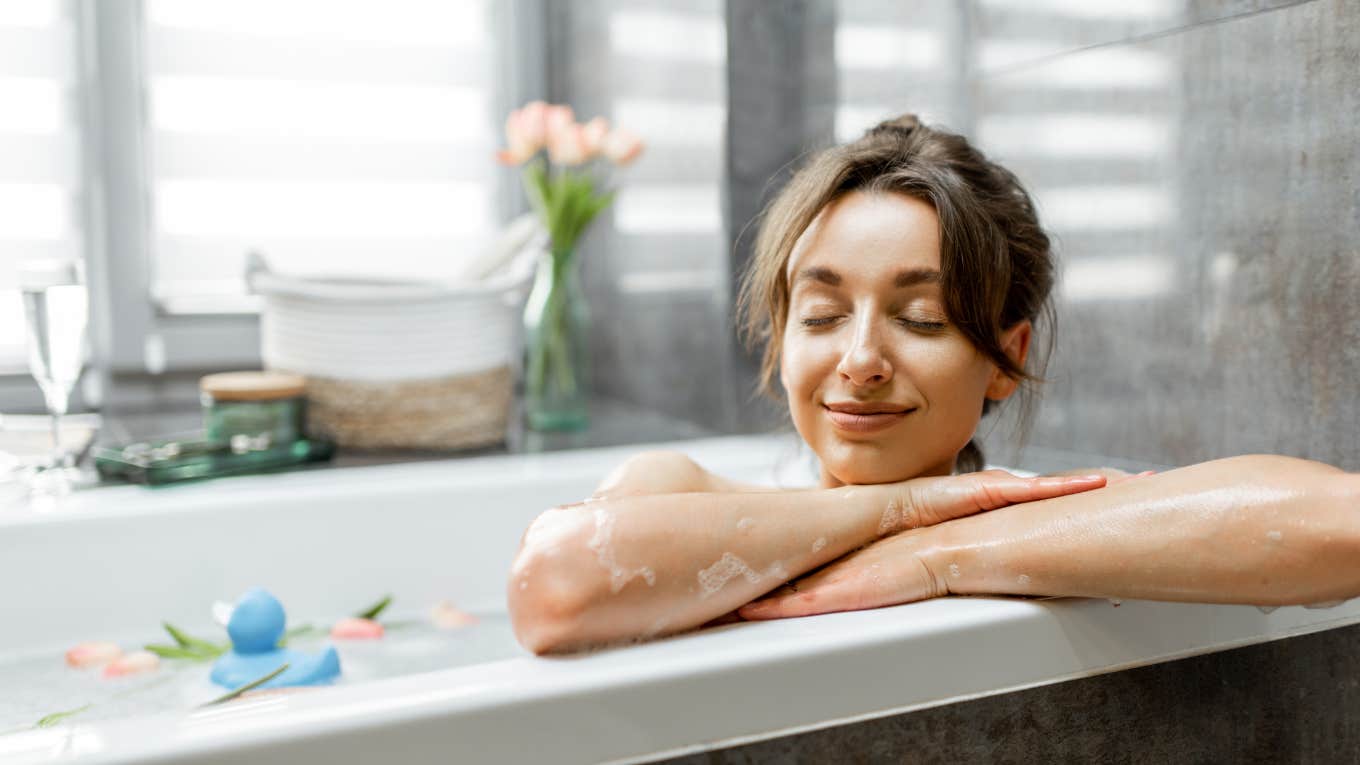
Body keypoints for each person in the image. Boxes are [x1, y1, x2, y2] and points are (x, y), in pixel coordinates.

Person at [506, 114, 1359, 655]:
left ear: (1004, 357)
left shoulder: (1033, 520)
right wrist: (895, 509)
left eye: (921, 319)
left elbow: (1339, 526)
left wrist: (940, 553)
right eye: (821, 314)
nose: (860, 358)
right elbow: (551, 587)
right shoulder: (682, 490)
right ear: (779, 339)